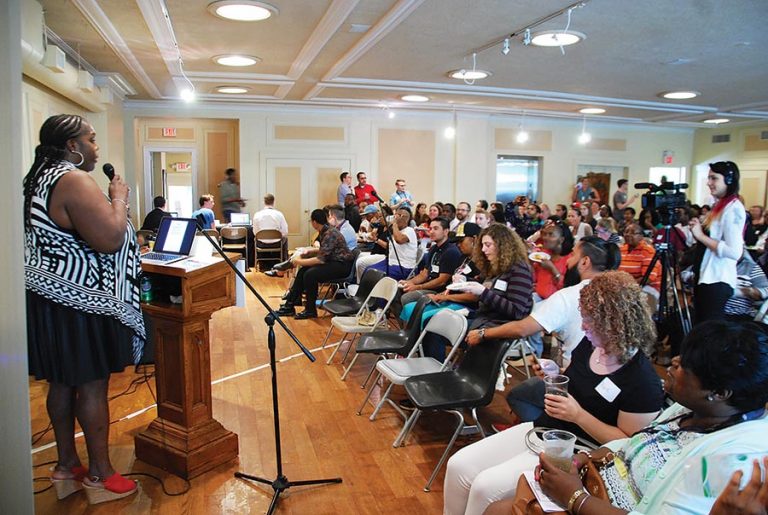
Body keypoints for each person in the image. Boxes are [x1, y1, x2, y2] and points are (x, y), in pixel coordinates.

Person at [446, 271, 664, 515]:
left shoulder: (643, 381)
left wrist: (578, 415)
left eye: (590, 320)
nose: (582, 326)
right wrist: (554, 373)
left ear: (614, 323)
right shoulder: (591, 344)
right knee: (458, 466)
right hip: (546, 430)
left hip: (576, 453)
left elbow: (626, 444)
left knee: (484, 487)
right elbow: (574, 380)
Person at [526, 319, 768, 515]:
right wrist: (585, 458)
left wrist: (575, 498)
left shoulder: (730, 463)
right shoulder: (693, 411)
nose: (673, 363)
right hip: (590, 481)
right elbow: (637, 441)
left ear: (718, 393)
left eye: (686, 366)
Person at [23, 114, 142, 502]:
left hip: (46, 298)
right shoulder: (72, 179)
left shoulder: (36, 178)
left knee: (60, 381)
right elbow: (109, 237)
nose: (96, 148)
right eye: (91, 140)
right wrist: (119, 197)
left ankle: (66, 464)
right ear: (72, 147)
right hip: (78, 300)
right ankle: (101, 475)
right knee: (91, 385)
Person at [465, 237, 621, 360]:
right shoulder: (621, 292)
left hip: (580, 373)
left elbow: (522, 329)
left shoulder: (569, 296)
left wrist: (483, 334)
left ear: (585, 262)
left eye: (573, 255)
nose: (568, 260)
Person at [690, 161, 746, 322]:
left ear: (728, 180)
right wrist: (698, 231)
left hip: (717, 279)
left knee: (710, 330)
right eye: (709, 178)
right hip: (706, 276)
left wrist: (701, 236)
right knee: (701, 326)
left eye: (714, 178)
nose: (709, 183)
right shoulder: (720, 206)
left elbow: (734, 251)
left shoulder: (733, 208)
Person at [275, 209, 354, 319]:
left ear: (314, 222)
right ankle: (290, 305)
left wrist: (299, 261)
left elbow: (320, 260)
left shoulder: (329, 233)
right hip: (335, 262)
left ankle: (310, 310)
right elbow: (326, 250)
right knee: (303, 271)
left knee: (310, 274)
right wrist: (311, 251)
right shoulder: (326, 231)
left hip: (342, 266)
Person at [398, 217, 462, 306]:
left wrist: (418, 287)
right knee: (397, 290)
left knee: (407, 297)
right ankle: (404, 319)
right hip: (428, 284)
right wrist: (410, 282)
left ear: (446, 231)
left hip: (439, 291)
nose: (431, 232)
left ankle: (412, 319)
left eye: (436, 228)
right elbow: (424, 274)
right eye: (430, 228)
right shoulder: (434, 248)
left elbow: (441, 281)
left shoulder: (451, 251)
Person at [364, 207, 418, 281]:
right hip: (390, 261)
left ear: (404, 218)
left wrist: (394, 224)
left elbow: (399, 239)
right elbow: (389, 246)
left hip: (403, 266)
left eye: (396, 216)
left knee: (376, 276)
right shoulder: (396, 231)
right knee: (368, 270)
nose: (394, 218)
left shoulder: (409, 230)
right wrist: (375, 239)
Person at [531, 220, 574, 300]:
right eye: (545, 234)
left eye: (551, 235)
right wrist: (530, 262)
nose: (545, 238)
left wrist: (552, 268)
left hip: (556, 302)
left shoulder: (570, 259)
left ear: (561, 240)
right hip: (538, 297)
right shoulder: (544, 254)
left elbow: (567, 288)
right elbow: (534, 278)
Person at [619, 222, 661, 292]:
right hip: (625, 286)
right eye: (626, 232)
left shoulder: (648, 251)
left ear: (641, 236)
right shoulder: (621, 249)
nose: (628, 235)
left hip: (648, 287)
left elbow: (649, 278)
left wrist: (627, 286)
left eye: (633, 233)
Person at [253, 193, 289, 262]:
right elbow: (285, 232)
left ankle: (260, 261)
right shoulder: (279, 214)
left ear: (263, 202)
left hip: (261, 244)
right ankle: (284, 261)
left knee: (255, 238)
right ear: (273, 202)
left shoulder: (257, 215)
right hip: (277, 244)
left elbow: (255, 232)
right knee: (285, 238)